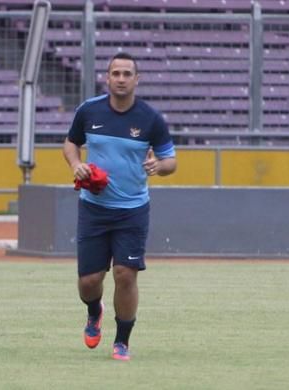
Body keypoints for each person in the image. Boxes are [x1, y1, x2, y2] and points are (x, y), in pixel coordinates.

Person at [62, 52, 177, 361]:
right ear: (108, 78)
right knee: (89, 282)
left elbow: (171, 161)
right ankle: (93, 310)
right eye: (116, 73)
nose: (122, 79)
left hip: (132, 210)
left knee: (126, 274)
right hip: (94, 208)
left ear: (136, 79)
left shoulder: (151, 118)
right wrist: (77, 165)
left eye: (128, 73)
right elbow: (70, 143)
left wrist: (158, 166)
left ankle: (122, 341)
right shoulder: (89, 111)